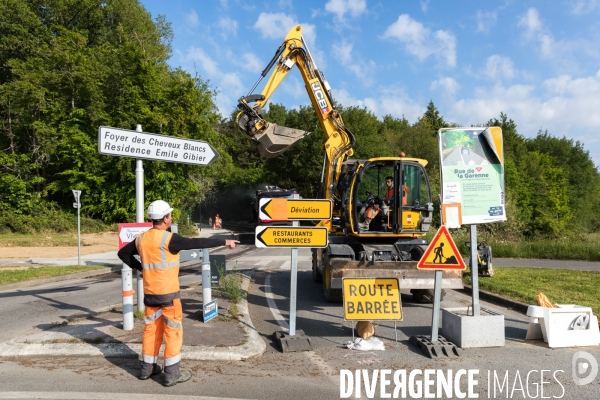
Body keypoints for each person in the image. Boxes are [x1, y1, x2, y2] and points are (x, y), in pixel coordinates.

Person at [117, 200, 239, 387]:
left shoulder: (141, 238)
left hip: (150, 295)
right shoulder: (169, 239)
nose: (171, 217)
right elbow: (197, 242)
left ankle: (146, 369)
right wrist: (224, 241)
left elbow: (123, 254)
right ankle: (172, 374)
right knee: (173, 332)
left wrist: (141, 268)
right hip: (168, 295)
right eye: (170, 215)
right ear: (165, 219)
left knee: (151, 330)